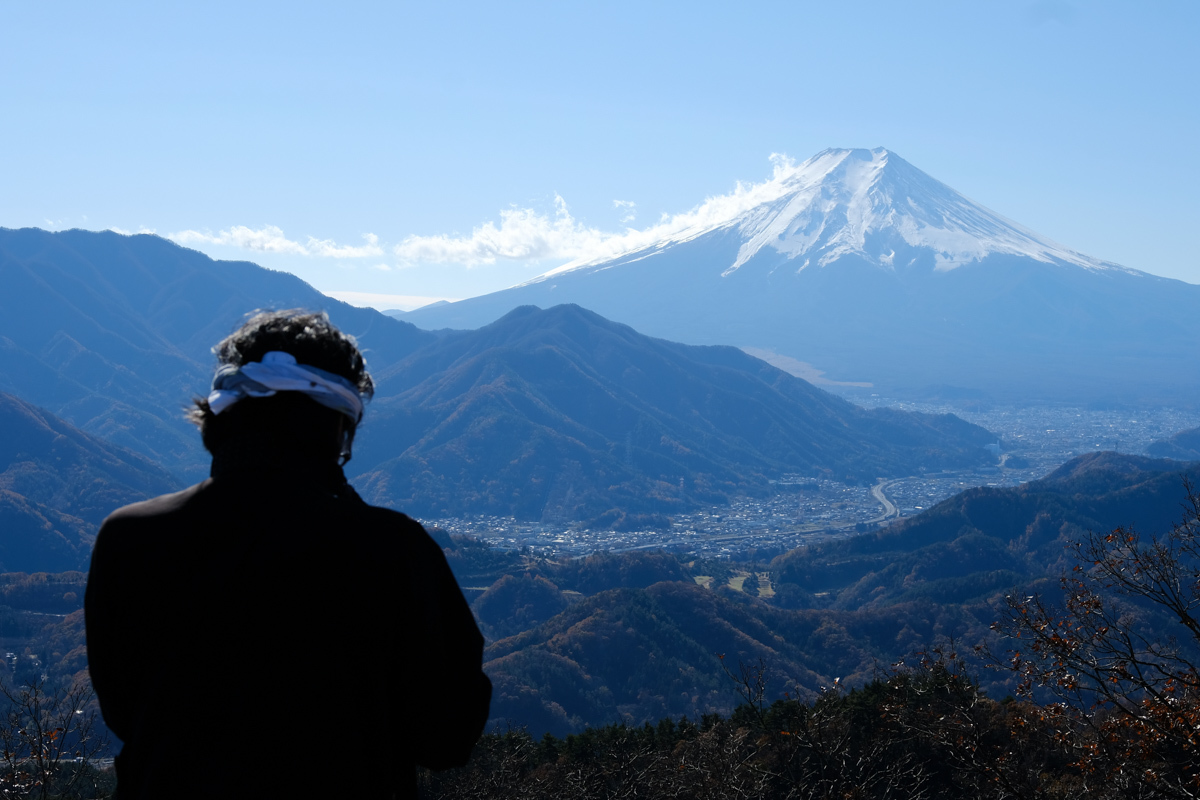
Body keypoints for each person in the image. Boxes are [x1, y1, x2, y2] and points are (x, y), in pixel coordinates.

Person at [85, 310, 491, 799]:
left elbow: (127, 712)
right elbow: (446, 736)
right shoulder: (392, 551)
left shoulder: (131, 538)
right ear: (339, 427)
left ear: (217, 417)